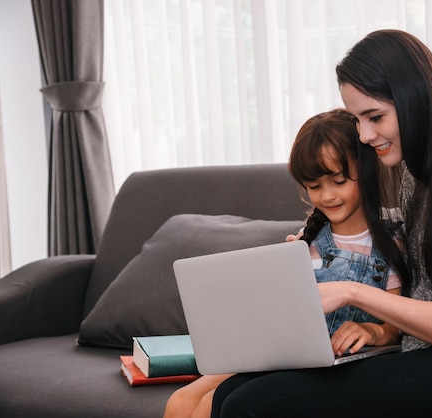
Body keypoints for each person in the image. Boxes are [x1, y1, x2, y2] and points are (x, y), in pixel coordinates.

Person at [210, 29, 432, 418]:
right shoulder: (417, 173)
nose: (364, 134)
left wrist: (350, 292)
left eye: (374, 117)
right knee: (231, 393)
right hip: (426, 351)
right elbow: (397, 240)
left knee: (254, 404)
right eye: (358, 119)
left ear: (415, 101)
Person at [163, 108, 406, 418]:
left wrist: (372, 331)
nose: (327, 195)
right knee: (180, 402)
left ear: (367, 171)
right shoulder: (309, 238)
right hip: (282, 356)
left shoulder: (390, 240)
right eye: (315, 187)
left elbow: (395, 327)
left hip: (339, 367)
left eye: (339, 181)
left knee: (209, 408)